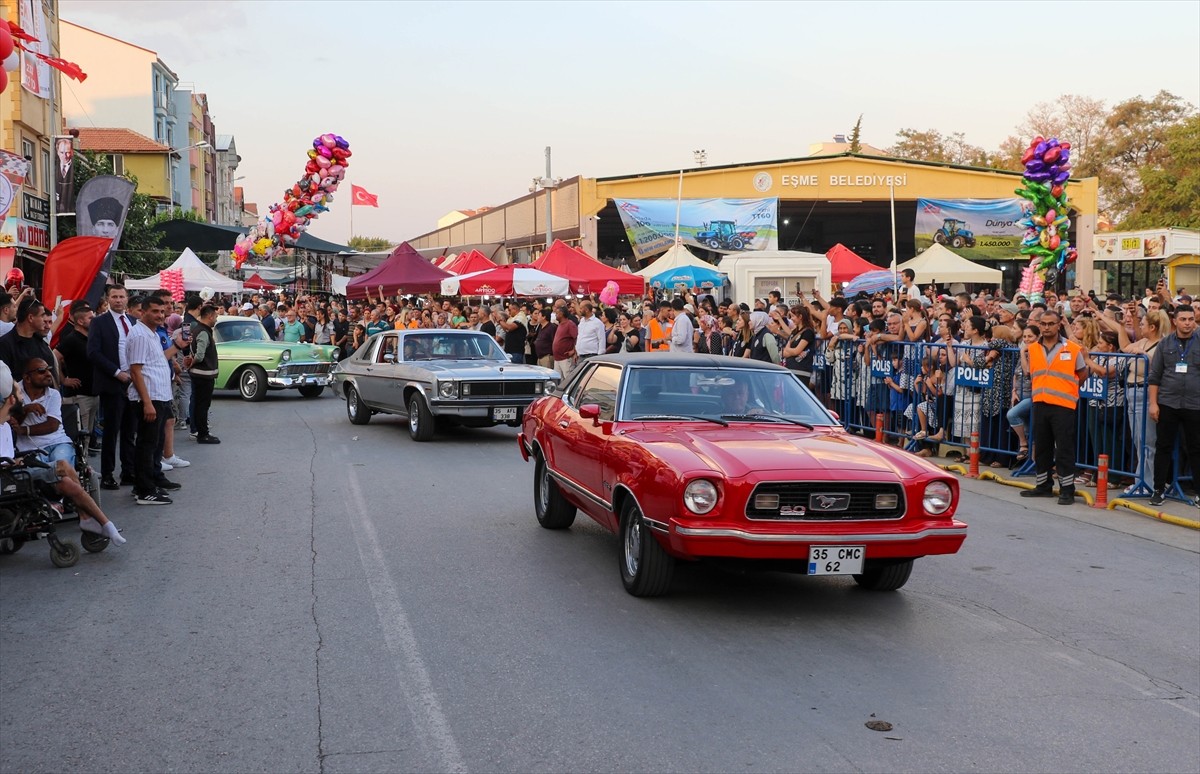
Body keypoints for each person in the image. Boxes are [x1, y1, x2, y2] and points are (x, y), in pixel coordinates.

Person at [0, 383, 125, 546]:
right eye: (19, 393)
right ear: (11, 399)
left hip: (15, 471)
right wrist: (14, 463)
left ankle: (97, 521)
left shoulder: (5, 426)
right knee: (63, 466)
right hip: (10, 478)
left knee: (67, 483)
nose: (23, 396)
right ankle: (94, 520)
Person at [1021, 310, 1087, 505]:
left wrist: (1070, 390)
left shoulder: (1073, 348)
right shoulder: (1032, 348)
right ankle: (1043, 485)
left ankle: (1067, 489)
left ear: (1059, 325)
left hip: (1063, 405)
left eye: (1051, 324)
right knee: (1042, 446)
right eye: (1044, 324)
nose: (1047, 327)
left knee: (1064, 448)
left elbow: (1083, 373)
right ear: (1039, 325)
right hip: (1040, 402)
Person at [126, 296, 178, 505]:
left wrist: (177, 346)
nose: (160, 315)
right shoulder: (139, 335)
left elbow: (157, 361)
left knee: (155, 443)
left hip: (160, 394)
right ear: (143, 312)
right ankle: (144, 491)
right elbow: (136, 371)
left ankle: (149, 482)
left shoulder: (153, 334)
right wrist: (146, 402)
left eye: (162, 311)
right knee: (147, 445)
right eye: (155, 311)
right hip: (149, 397)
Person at [1147, 304, 1200, 506]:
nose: (1187, 323)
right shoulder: (1165, 344)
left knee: (1196, 448)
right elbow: (1155, 377)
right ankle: (1159, 489)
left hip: (1195, 404)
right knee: (1163, 446)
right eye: (1183, 319)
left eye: (1191, 319)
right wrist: (1153, 404)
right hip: (1168, 402)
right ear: (1175, 321)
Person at [87, 284, 137, 490]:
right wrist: (117, 373)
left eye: (121, 297)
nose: (118, 300)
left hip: (134, 383)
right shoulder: (99, 323)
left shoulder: (133, 321)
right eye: (114, 297)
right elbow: (93, 353)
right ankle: (107, 474)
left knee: (129, 431)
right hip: (112, 382)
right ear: (108, 299)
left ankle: (128, 471)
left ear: (127, 299)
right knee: (111, 431)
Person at [13, 357, 76, 466]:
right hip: (30, 449)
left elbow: (53, 425)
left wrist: (24, 430)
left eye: (49, 369)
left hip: (58, 443)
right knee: (40, 473)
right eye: (42, 371)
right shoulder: (15, 392)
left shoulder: (54, 394)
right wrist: (26, 410)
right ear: (27, 378)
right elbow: (12, 422)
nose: (48, 374)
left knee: (61, 464)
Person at [54, 300, 97, 455]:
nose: (94, 320)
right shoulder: (72, 339)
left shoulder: (91, 337)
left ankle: (85, 468)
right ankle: (80, 469)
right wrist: (64, 379)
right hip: (80, 395)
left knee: (88, 433)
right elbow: (54, 356)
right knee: (81, 435)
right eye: (91, 318)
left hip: (93, 392)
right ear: (80, 321)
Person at [188, 304, 221, 445]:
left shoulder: (199, 330)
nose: (216, 319)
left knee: (199, 404)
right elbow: (200, 355)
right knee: (202, 405)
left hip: (200, 374)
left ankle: (199, 431)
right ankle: (203, 434)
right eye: (215, 316)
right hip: (203, 375)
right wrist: (192, 363)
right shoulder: (203, 331)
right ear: (209, 316)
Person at [551, 301, 578, 378]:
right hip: (557, 358)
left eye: (557, 313)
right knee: (558, 379)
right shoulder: (560, 324)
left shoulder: (570, 324)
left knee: (568, 379)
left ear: (562, 314)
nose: (555, 315)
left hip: (566, 358)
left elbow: (576, 337)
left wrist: (574, 351)